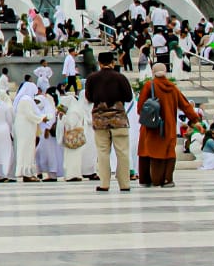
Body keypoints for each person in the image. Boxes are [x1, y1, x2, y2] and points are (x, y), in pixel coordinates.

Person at [135, 64, 201, 188]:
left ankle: (148, 180)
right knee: (168, 152)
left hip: (152, 126)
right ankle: (167, 180)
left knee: (149, 151)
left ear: (153, 72)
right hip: (169, 127)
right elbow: (186, 105)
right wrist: (195, 120)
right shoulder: (173, 87)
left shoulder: (149, 85)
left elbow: (140, 108)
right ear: (166, 72)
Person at [85, 51, 134, 193]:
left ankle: (104, 183)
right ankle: (124, 183)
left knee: (102, 152)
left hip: (100, 120)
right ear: (113, 62)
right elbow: (129, 96)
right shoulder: (120, 77)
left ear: (99, 63)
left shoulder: (92, 78)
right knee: (123, 152)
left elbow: (89, 97)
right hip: (118, 119)